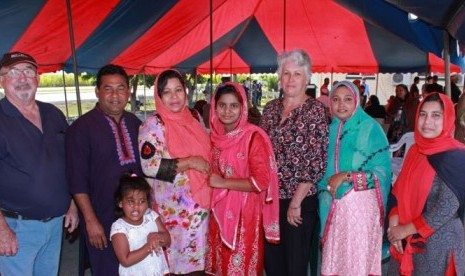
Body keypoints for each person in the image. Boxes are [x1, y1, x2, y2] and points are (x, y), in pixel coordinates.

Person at [0, 51, 79, 275]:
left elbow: (66, 164)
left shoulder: (53, 113)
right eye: (14, 72)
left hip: (55, 224)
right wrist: (1, 229)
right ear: (2, 79)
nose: (22, 78)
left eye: (29, 72)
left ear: (38, 78)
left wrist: (71, 204)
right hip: (16, 226)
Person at [66, 64, 142, 276]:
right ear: (97, 92)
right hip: (102, 217)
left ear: (128, 91)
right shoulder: (80, 129)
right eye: (108, 89)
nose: (115, 95)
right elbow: (77, 181)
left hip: (137, 218)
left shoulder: (136, 124)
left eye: (120, 88)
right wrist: (91, 222)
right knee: (108, 270)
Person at [260, 49, 329, 276]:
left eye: (297, 74)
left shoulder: (315, 110)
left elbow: (316, 160)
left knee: (295, 266)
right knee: (273, 264)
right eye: (286, 73)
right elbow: (258, 151)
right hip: (270, 200)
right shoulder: (270, 109)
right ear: (279, 77)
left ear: (307, 78)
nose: (290, 79)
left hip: (298, 202)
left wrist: (296, 201)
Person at [138, 69, 211, 275]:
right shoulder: (153, 124)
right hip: (173, 212)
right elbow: (150, 166)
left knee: (199, 264)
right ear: (159, 96)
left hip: (201, 206)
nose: (174, 97)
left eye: (178, 90)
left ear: (185, 92)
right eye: (167, 92)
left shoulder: (194, 117)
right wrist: (190, 162)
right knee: (176, 264)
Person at [205, 82, 280, 275]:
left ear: (243, 107)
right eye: (222, 105)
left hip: (245, 215)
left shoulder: (254, 137)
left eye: (234, 105)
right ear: (214, 107)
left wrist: (223, 183)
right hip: (219, 212)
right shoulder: (215, 137)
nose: (227, 111)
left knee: (240, 267)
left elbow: (260, 182)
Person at [318, 81, 391, 275]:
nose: (341, 104)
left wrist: (347, 176)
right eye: (336, 99)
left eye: (347, 99)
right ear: (330, 103)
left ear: (357, 101)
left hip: (361, 208)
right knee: (335, 261)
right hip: (334, 207)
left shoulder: (370, 129)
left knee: (356, 263)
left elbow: (382, 174)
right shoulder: (329, 131)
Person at [387, 92, 465, 275]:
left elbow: (447, 206)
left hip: (439, 244)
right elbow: (399, 189)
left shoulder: (455, 156)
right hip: (405, 241)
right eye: (423, 114)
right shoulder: (416, 150)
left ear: (447, 119)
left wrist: (404, 230)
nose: (427, 121)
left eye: (436, 115)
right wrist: (393, 227)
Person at [110, 173, 170, 276]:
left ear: (148, 203)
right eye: (130, 201)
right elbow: (125, 260)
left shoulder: (151, 216)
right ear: (120, 203)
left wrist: (157, 236)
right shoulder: (119, 228)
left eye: (142, 201)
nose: (136, 206)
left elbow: (167, 239)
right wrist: (149, 245)